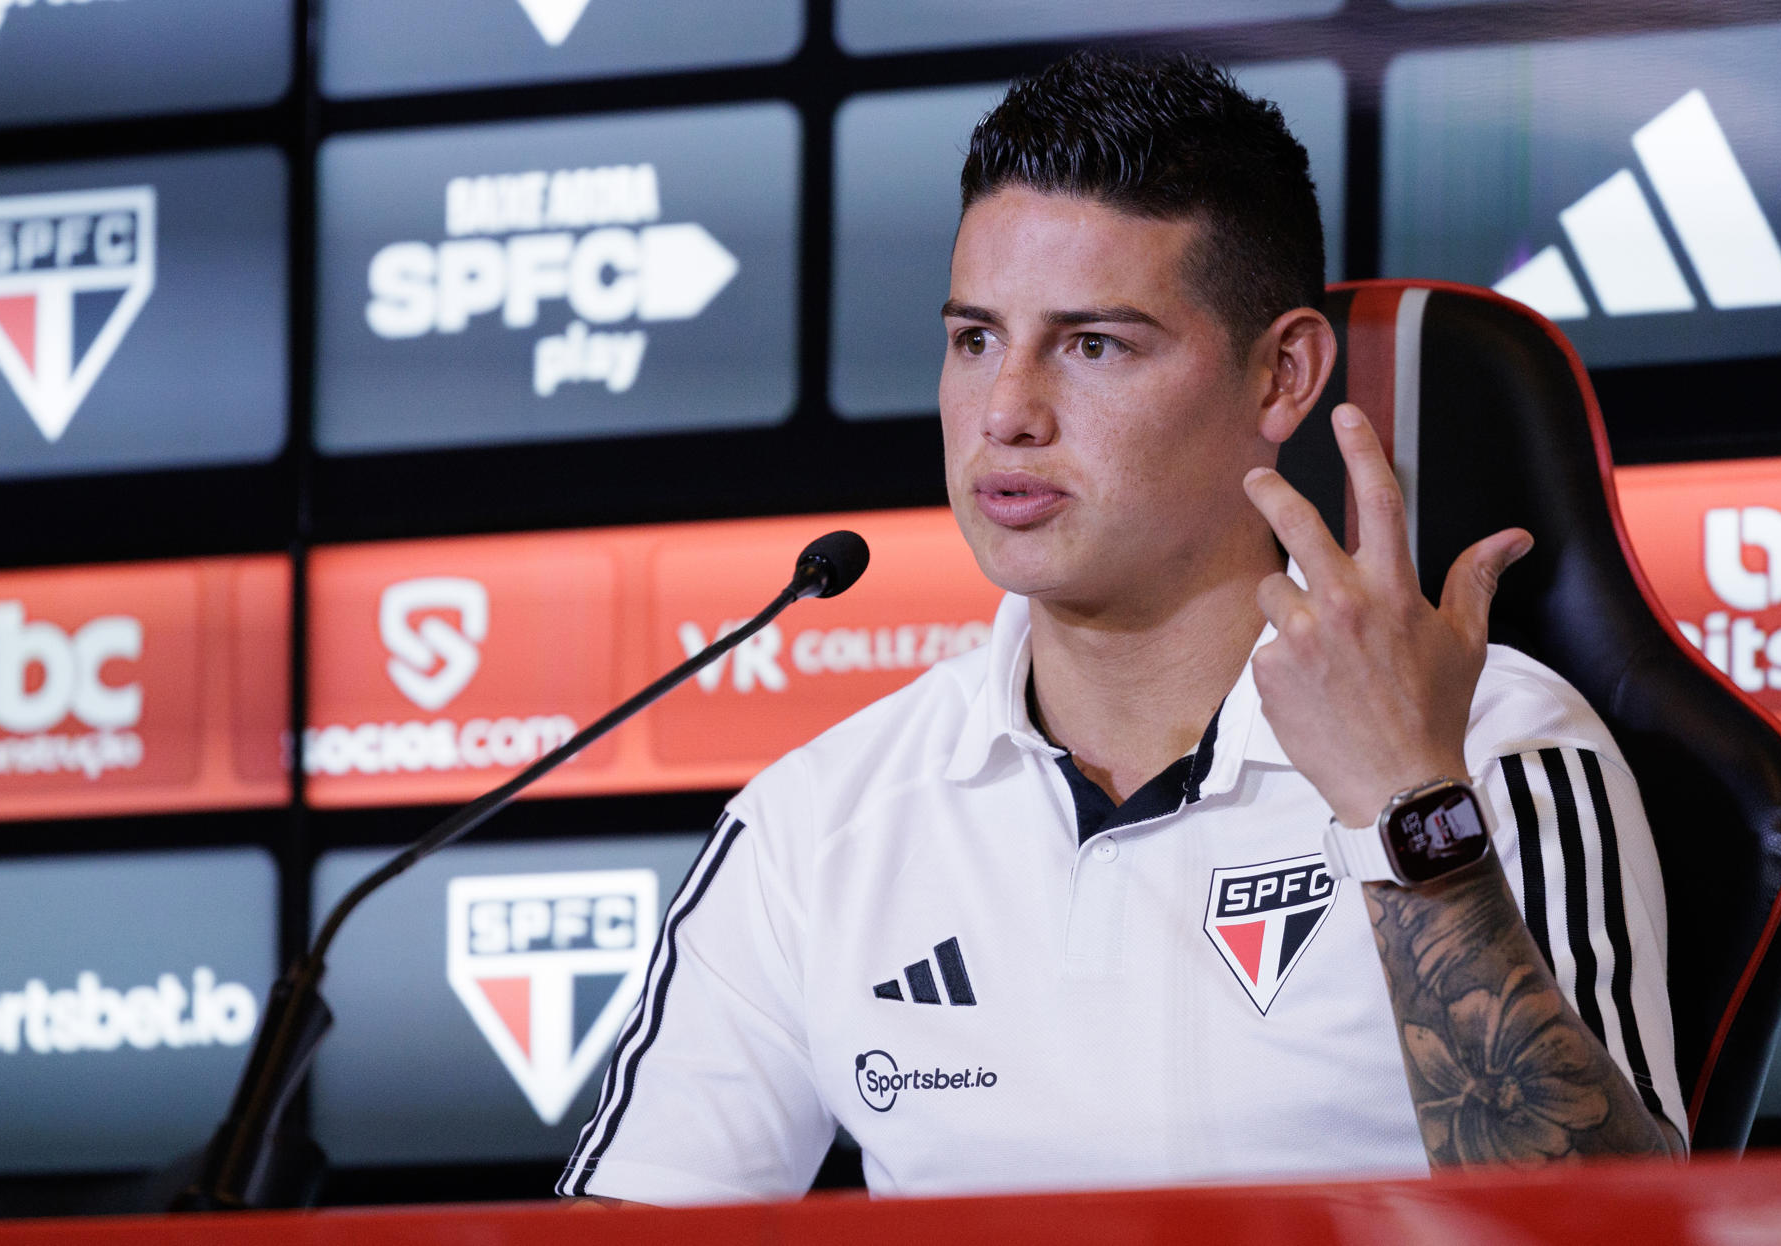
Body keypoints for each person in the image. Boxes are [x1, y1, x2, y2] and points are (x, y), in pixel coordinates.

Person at [558, 51, 1686, 1206]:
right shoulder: (817, 823)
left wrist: (1405, 806)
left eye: (1094, 344)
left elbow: (1624, 1235)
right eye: (975, 339)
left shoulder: (1496, 748)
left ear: (1281, 376)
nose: (1006, 412)